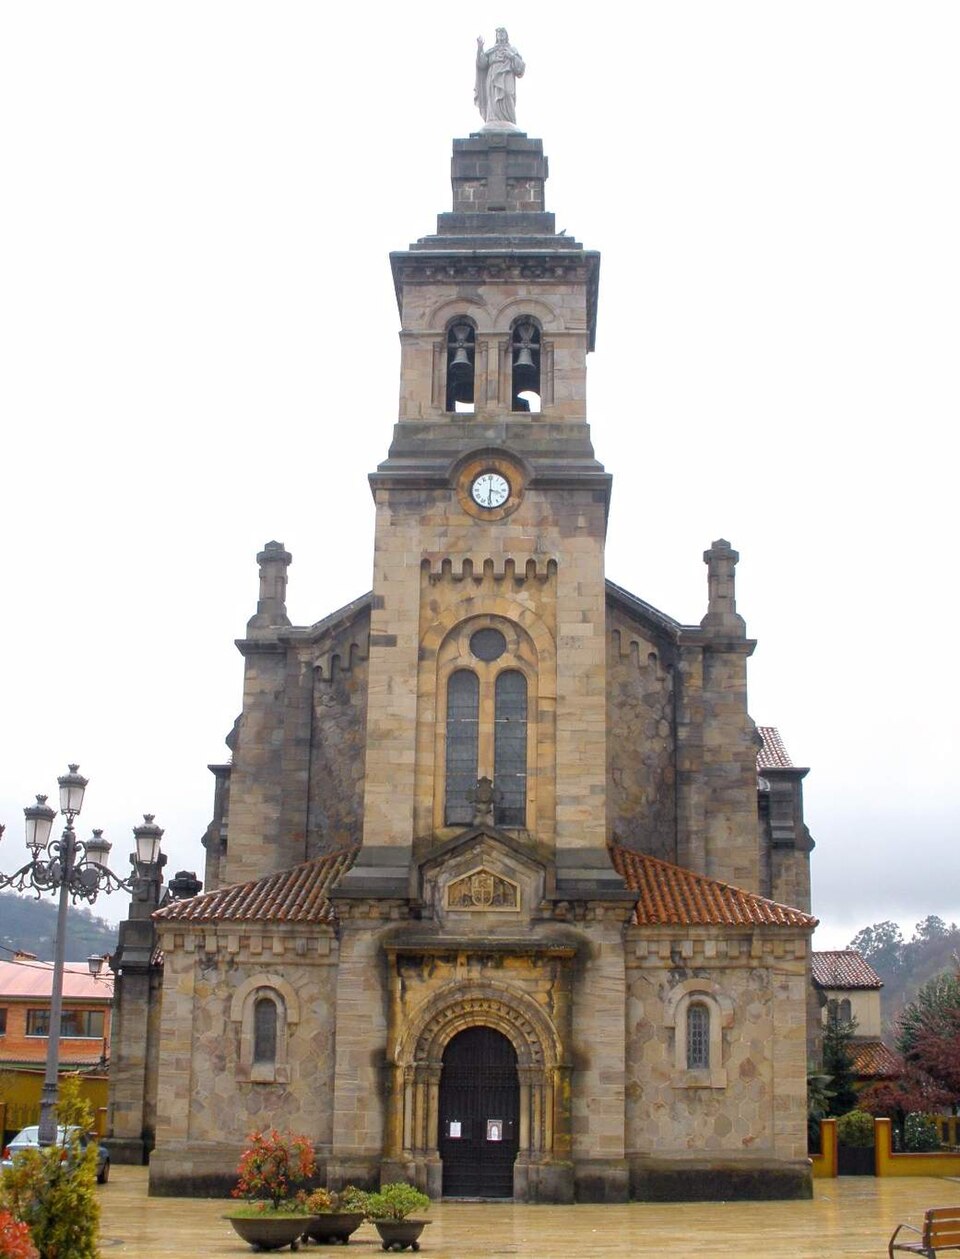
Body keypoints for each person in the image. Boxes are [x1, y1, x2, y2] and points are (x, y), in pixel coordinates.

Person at [475, 29, 525, 127]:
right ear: (496, 36)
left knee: (507, 94)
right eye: (498, 33)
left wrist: (511, 56)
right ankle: (493, 122)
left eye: (503, 33)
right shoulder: (492, 51)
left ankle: (509, 123)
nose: (500, 35)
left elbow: (520, 68)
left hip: (507, 75)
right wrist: (480, 48)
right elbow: (482, 64)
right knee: (493, 100)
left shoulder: (512, 50)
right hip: (493, 78)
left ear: (506, 35)